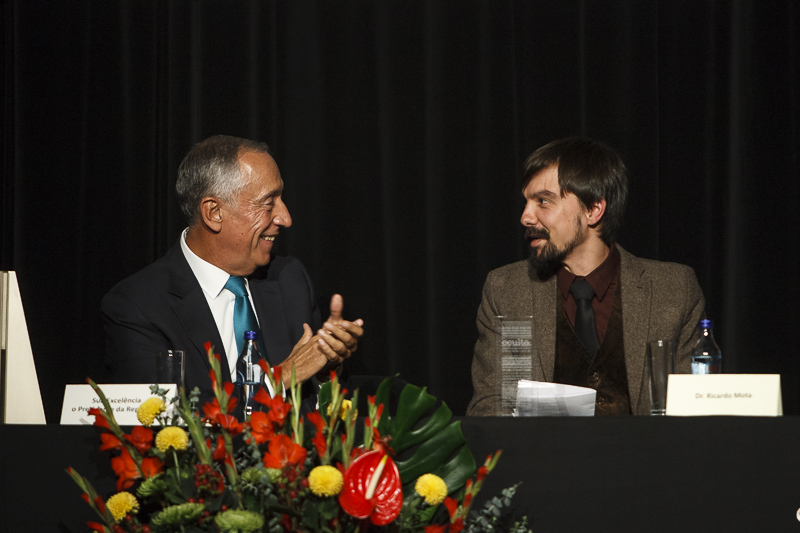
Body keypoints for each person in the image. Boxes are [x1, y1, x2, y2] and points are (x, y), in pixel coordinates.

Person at [102, 135, 363, 402]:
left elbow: (321, 406)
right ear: (214, 213)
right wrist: (281, 378)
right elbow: (159, 415)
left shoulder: (289, 279)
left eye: (281, 199)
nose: (285, 218)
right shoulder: (137, 306)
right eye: (268, 202)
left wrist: (325, 367)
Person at [467, 137, 704, 416]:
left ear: (593, 210)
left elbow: (693, 413)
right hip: (542, 447)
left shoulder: (673, 289)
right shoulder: (506, 289)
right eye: (526, 202)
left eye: (543, 201)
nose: (526, 217)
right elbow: (491, 406)